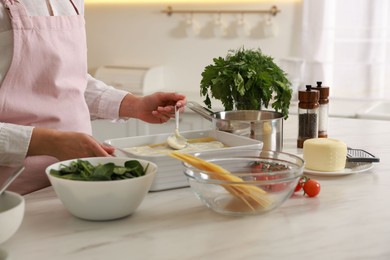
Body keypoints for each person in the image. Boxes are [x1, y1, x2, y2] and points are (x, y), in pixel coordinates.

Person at [0, 0, 186, 195]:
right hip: (13, 195)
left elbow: (66, 80)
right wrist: (52, 142)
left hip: (79, 181)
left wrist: (134, 105)